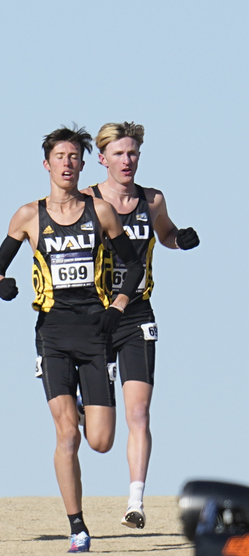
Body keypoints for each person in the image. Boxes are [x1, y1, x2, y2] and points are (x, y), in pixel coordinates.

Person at [0, 125, 145, 553]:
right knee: (66, 436)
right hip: (52, 334)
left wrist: (118, 306)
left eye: (74, 157)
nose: (68, 164)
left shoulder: (102, 212)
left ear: (81, 164)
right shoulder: (28, 215)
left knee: (100, 441)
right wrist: (3, 283)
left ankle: (80, 405)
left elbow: (134, 268)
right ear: (47, 164)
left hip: (96, 333)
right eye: (60, 156)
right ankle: (77, 526)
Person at [82, 122, 200, 529]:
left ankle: (136, 501)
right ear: (102, 158)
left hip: (137, 313)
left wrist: (179, 238)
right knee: (99, 437)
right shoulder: (87, 200)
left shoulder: (152, 199)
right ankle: (84, 407)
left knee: (140, 412)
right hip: (93, 314)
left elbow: (163, 233)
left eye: (132, 153)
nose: (127, 160)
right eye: (118, 154)